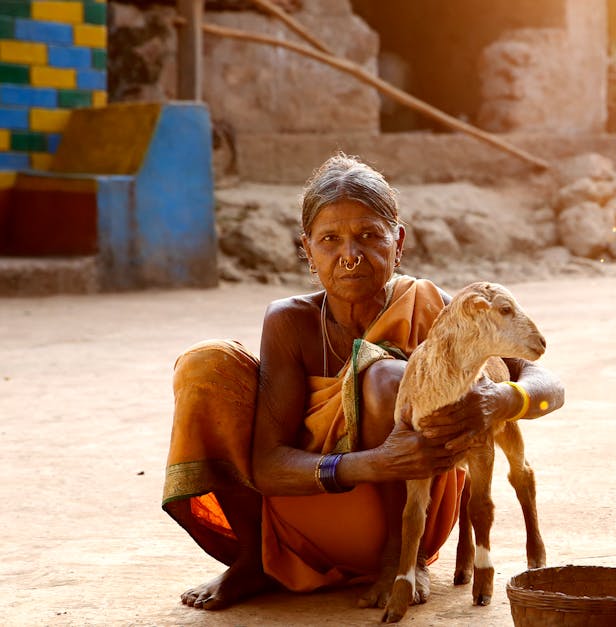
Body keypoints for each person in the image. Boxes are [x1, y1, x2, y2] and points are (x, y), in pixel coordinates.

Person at [162, 153, 565, 611]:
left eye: (369, 236)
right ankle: (256, 561)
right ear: (307, 250)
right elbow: (269, 464)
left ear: (399, 242)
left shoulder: (437, 309)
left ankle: (400, 563)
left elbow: (550, 385)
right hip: (303, 510)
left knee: (387, 374)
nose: (350, 255)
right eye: (330, 239)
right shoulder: (290, 322)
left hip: (415, 516)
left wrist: (503, 400)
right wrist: (375, 462)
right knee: (206, 364)